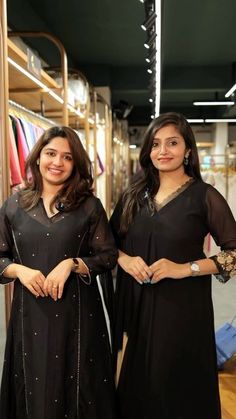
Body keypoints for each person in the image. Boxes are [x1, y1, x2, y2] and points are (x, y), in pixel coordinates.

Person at [110, 112, 236, 419]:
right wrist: (126, 261)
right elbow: (107, 246)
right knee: (140, 385)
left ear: (188, 150)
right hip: (136, 309)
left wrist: (184, 268)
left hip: (183, 310)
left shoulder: (204, 196)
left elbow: (233, 253)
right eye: (155, 144)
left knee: (178, 384)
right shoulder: (132, 196)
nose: (163, 151)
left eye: (172, 143)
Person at [0, 126, 118, 419]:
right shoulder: (14, 205)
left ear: (75, 164)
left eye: (67, 157)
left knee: (78, 388)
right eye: (51, 153)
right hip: (30, 316)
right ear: (38, 157)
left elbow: (108, 256)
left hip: (78, 316)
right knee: (33, 389)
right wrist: (18, 271)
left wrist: (72, 264)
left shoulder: (89, 206)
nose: (57, 162)